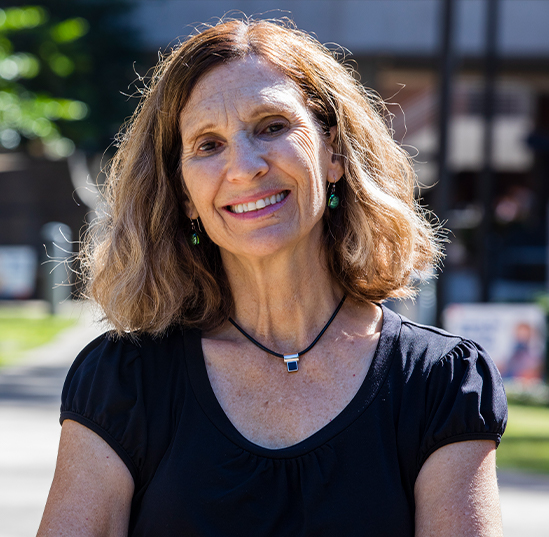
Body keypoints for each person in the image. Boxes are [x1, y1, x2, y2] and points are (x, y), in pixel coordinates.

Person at [38, 18, 507, 537]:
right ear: (185, 196)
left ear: (334, 153)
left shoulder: (440, 381)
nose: (245, 166)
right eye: (208, 145)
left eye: (272, 127)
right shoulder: (123, 381)